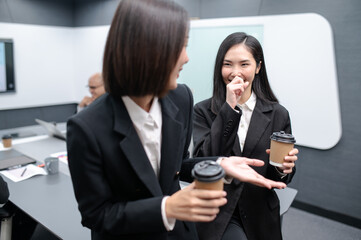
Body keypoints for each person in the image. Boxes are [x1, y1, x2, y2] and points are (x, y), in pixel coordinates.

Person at [67, 2, 286, 240]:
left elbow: (179, 165)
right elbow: (96, 216)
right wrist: (166, 208)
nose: (187, 57)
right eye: (180, 46)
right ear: (147, 51)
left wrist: (220, 164)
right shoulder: (86, 127)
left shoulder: (180, 97)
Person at [193, 32, 299, 240]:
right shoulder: (202, 110)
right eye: (228, 64)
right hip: (219, 208)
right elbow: (204, 159)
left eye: (244, 64)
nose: (235, 72)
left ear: (258, 67)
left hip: (259, 208)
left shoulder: (278, 113)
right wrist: (229, 107)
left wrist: (284, 169)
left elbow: (279, 175)